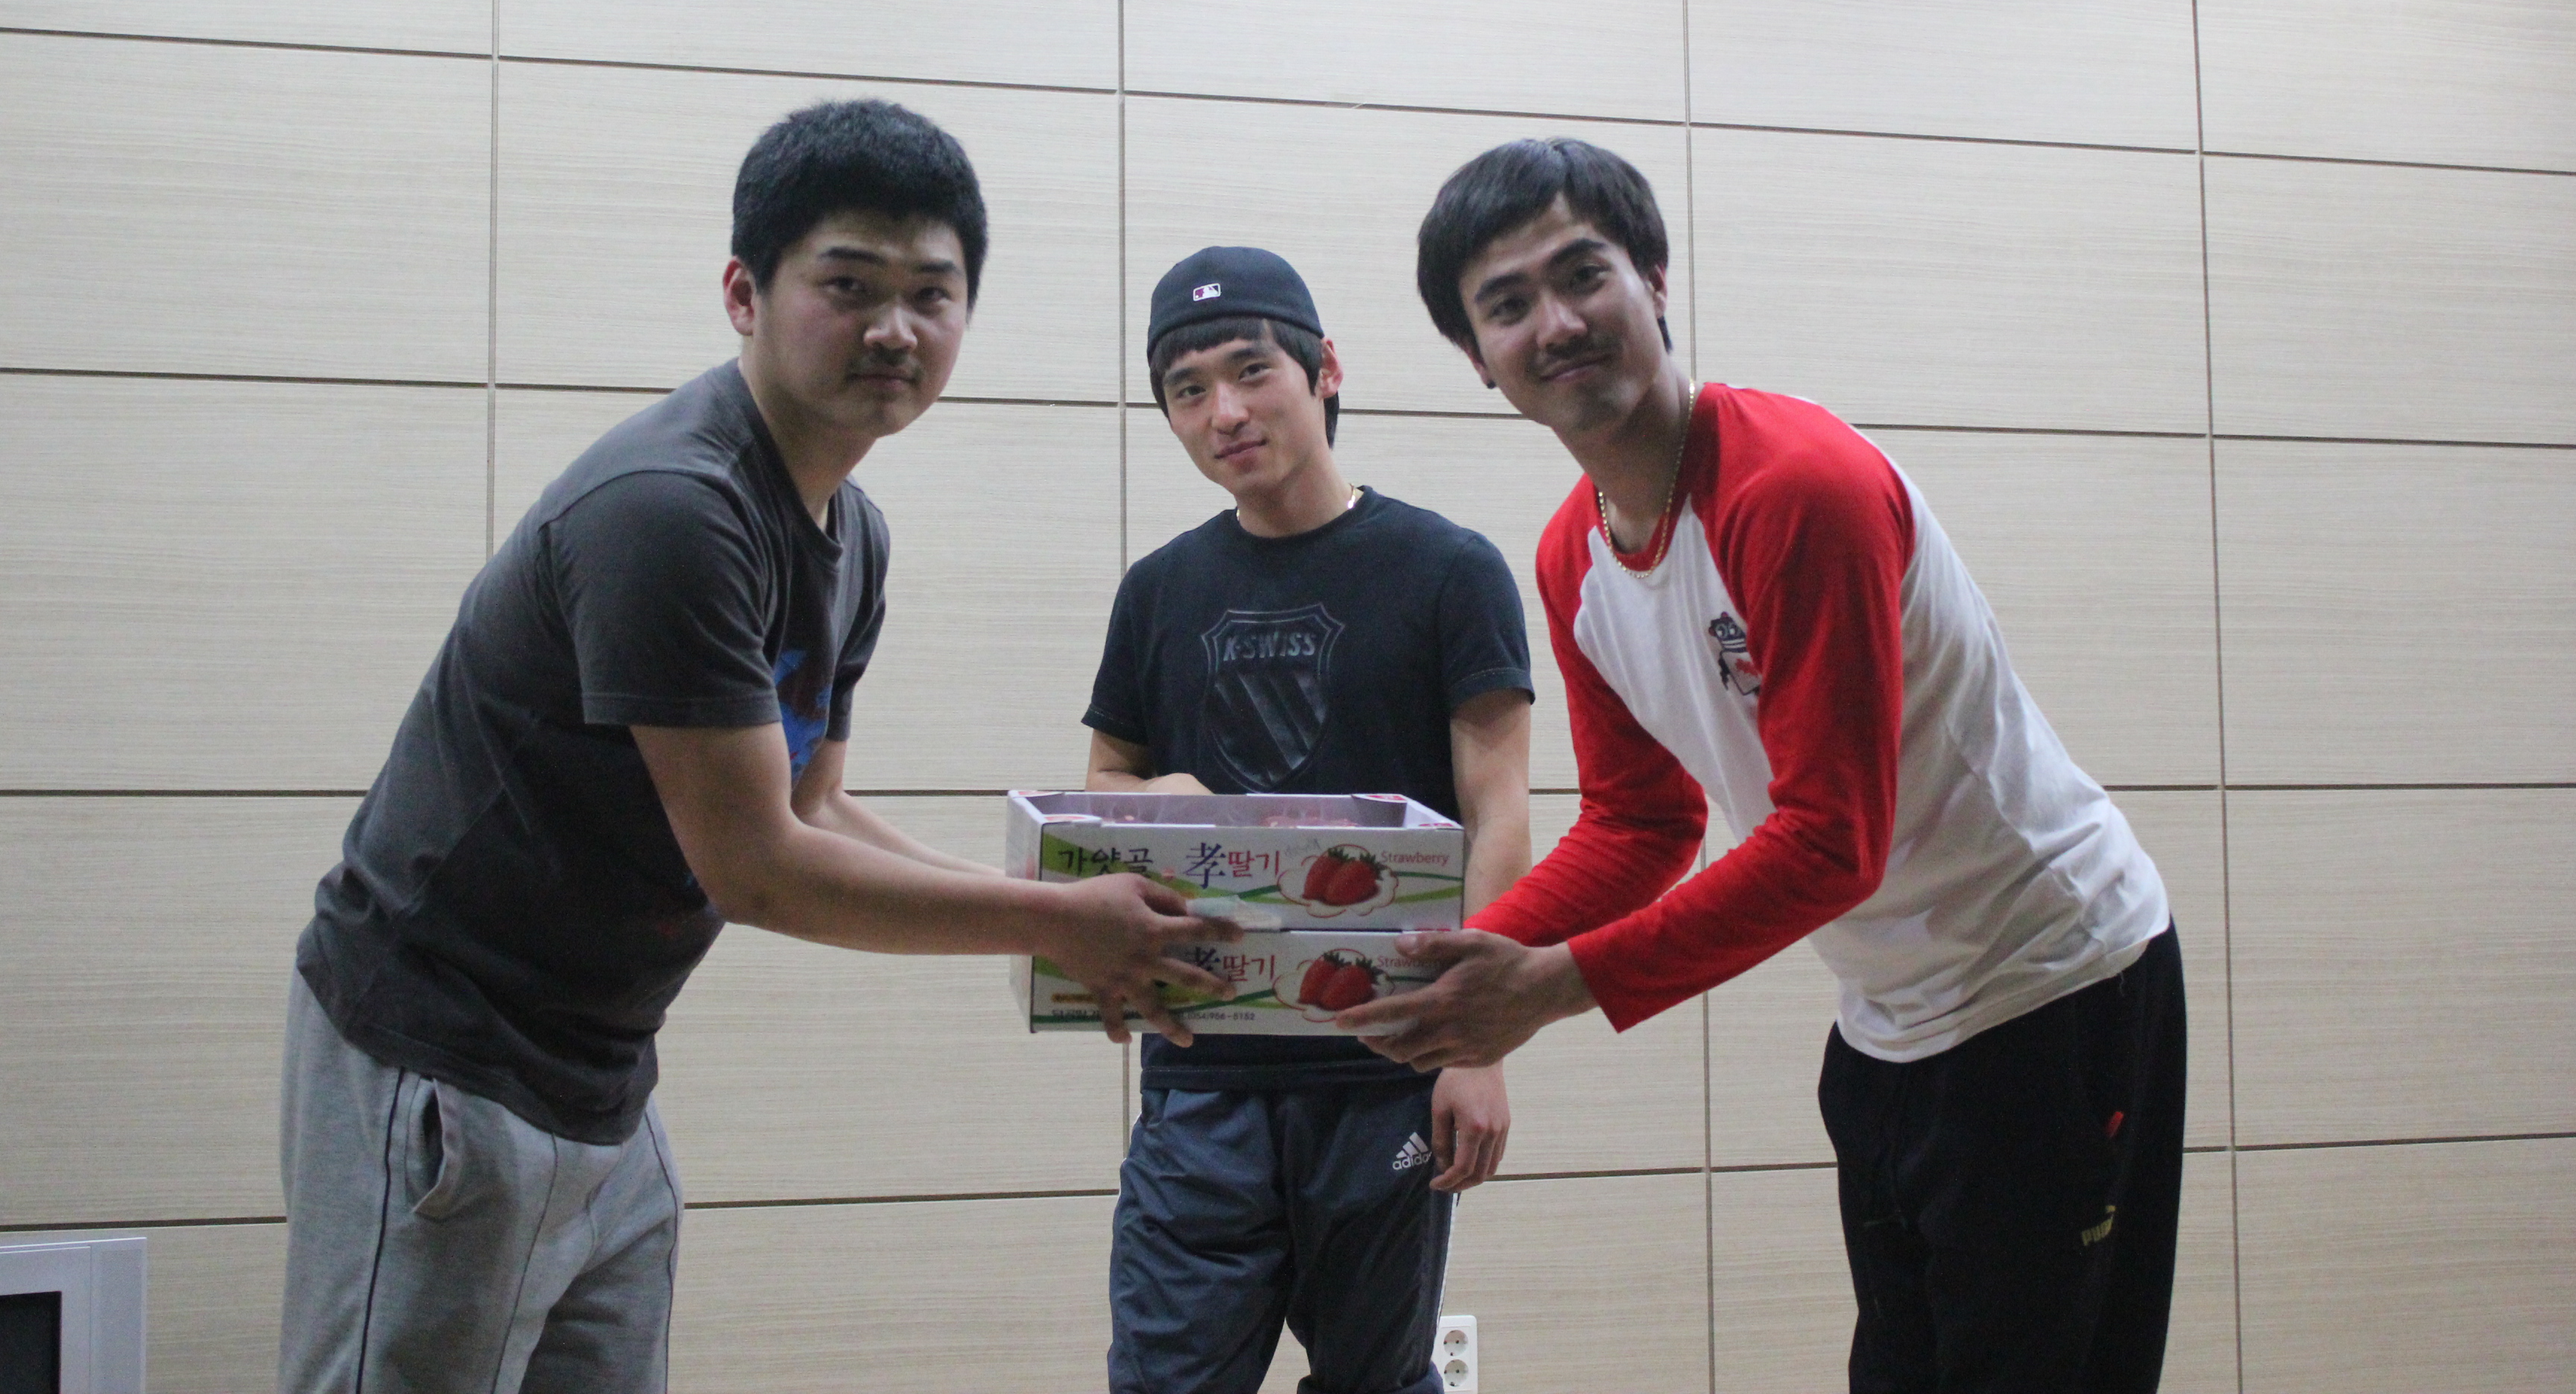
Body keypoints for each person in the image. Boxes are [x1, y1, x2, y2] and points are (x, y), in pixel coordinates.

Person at [279, 99, 1238, 1394]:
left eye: (931, 294)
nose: (894, 329)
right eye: (848, 286)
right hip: (440, 1052)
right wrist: (1056, 924)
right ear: (745, 293)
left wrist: (1061, 903)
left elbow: (813, 805)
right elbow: (758, 872)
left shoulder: (853, 533)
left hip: (599, 1071)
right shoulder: (672, 509)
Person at [1348, 139, 2185, 1393]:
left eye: (1582, 275)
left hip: (2054, 986)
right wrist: (1461, 962)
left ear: (1656, 281)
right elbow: (1640, 823)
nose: (1556, 323)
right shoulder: (1575, 557)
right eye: (1508, 305)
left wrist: (1548, 986)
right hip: (1890, 1026)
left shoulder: (1796, 487)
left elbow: (1833, 842)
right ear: (1477, 357)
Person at [1084, 245, 1535, 1394]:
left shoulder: (1449, 569)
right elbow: (1104, 800)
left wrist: (1477, 1044)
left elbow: (1498, 814)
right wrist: (1150, 803)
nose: (1225, 413)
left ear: (1325, 368)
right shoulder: (1158, 591)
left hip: (1386, 1064)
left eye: (1252, 371)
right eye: (1188, 390)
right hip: (1202, 1071)